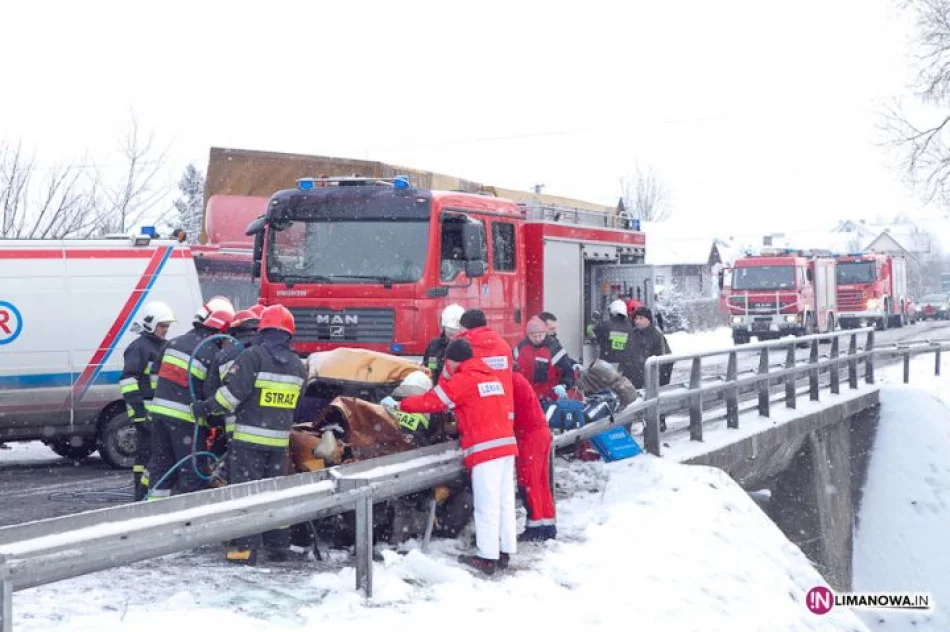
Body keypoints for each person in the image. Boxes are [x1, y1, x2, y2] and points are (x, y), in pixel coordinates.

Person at [391, 339, 517, 575]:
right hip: (506, 445)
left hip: (486, 448)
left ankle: (487, 558)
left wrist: (402, 405)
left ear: (451, 360)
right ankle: (504, 551)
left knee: (486, 504)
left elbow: (434, 402)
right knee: (503, 502)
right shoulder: (490, 377)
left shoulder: (463, 379)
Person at [193, 304, 307, 565]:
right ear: (289, 334)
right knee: (275, 494)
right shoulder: (298, 366)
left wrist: (204, 407)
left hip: (247, 442)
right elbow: (297, 407)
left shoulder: (252, 357)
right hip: (278, 443)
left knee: (246, 493)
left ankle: (246, 549)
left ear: (262, 329)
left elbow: (231, 396)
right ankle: (278, 547)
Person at [145, 296, 235, 499]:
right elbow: (211, 392)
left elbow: (154, 376)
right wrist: (215, 418)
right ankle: (189, 521)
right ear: (221, 331)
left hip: (159, 416)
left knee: (161, 468)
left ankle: (154, 514)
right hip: (187, 420)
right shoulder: (212, 352)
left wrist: (163, 399)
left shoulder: (174, 342)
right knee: (192, 473)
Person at [121, 301, 176, 501]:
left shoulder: (163, 347)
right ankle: (140, 495)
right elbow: (128, 381)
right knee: (145, 457)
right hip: (144, 412)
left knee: (156, 456)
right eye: (162, 326)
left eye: (167, 327)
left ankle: (148, 493)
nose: (165, 330)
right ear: (150, 324)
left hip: (159, 412)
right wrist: (139, 413)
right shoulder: (139, 348)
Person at [204, 304, 266, 475]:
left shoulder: (224, 355)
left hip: (236, 426)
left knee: (238, 472)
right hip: (269, 425)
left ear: (232, 332)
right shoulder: (265, 351)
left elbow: (211, 391)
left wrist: (211, 414)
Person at [511, 372, 556, 541]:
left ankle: (535, 526)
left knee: (529, 481)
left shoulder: (509, 381)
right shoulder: (517, 378)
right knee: (541, 481)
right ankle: (547, 525)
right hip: (539, 432)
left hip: (529, 435)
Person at [456, 309, 515, 419]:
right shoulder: (503, 345)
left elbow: (455, 380)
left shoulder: (465, 346)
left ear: (465, 327)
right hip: (504, 411)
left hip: (476, 413)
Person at [513, 316, 575, 402]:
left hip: (548, 399)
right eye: (534, 336)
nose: (538, 339)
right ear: (528, 335)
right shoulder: (521, 348)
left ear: (545, 333)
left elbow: (568, 371)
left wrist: (564, 385)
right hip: (525, 397)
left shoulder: (554, 348)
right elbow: (512, 368)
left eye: (540, 335)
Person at [592, 299, 637, 384]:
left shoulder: (606, 325)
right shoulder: (629, 327)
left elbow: (593, 333)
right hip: (625, 365)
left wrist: (594, 322)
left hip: (608, 363)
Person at [423, 303, 464, 384]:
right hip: (436, 386)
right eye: (450, 331)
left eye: (454, 332)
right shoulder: (435, 345)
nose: (452, 336)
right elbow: (429, 365)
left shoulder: (466, 348)